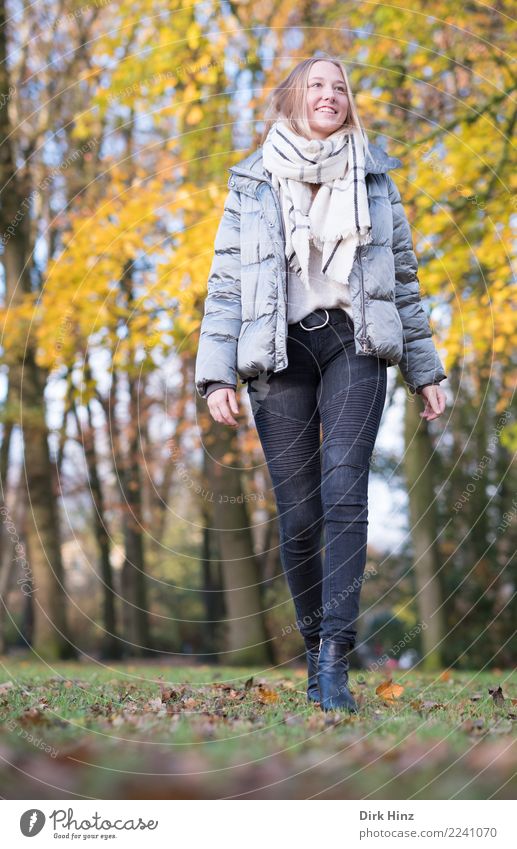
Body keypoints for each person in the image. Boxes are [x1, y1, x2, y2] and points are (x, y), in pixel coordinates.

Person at [195, 55, 447, 713]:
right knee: (300, 516)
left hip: (353, 343)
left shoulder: (375, 177)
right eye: (316, 86)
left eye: (339, 87)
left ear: (349, 103)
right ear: (290, 101)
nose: (330, 95)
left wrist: (425, 371)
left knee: (343, 492)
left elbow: (404, 279)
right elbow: (226, 283)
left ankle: (335, 655)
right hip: (278, 351)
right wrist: (216, 372)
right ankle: (314, 644)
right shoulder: (250, 183)